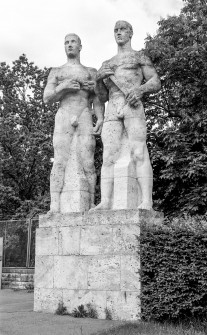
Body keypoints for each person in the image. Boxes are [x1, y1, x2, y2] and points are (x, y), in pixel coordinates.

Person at [94, 20, 161, 211]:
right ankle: (106, 201)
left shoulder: (139, 57)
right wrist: (99, 79)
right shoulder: (107, 64)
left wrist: (140, 90)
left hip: (133, 104)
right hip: (113, 107)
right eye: (116, 30)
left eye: (122, 29)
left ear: (131, 33)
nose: (119, 33)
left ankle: (146, 201)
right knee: (108, 156)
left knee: (139, 152)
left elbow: (155, 82)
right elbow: (101, 96)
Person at [43, 33, 104, 212]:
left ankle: (91, 203)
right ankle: (55, 205)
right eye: (66, 42)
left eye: (73, 42)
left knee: (88, 162)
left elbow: (98, 99)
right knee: (59, 161)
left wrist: (100, 118)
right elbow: (47, 98)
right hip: (64, 114)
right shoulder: (57, 71)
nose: (69, 45)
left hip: (84, 113)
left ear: (80, 46)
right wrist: (63, 87)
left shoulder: (91, 72)